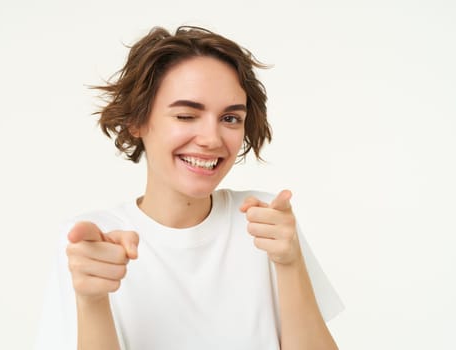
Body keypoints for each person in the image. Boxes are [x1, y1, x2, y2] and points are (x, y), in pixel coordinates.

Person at [35, 26, 344, 350]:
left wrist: (289, 262)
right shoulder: (90, 240)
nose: (211, 139)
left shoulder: (265, 222)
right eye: (186, 115)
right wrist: (92, 301)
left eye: (230, 119)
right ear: (136, 121)